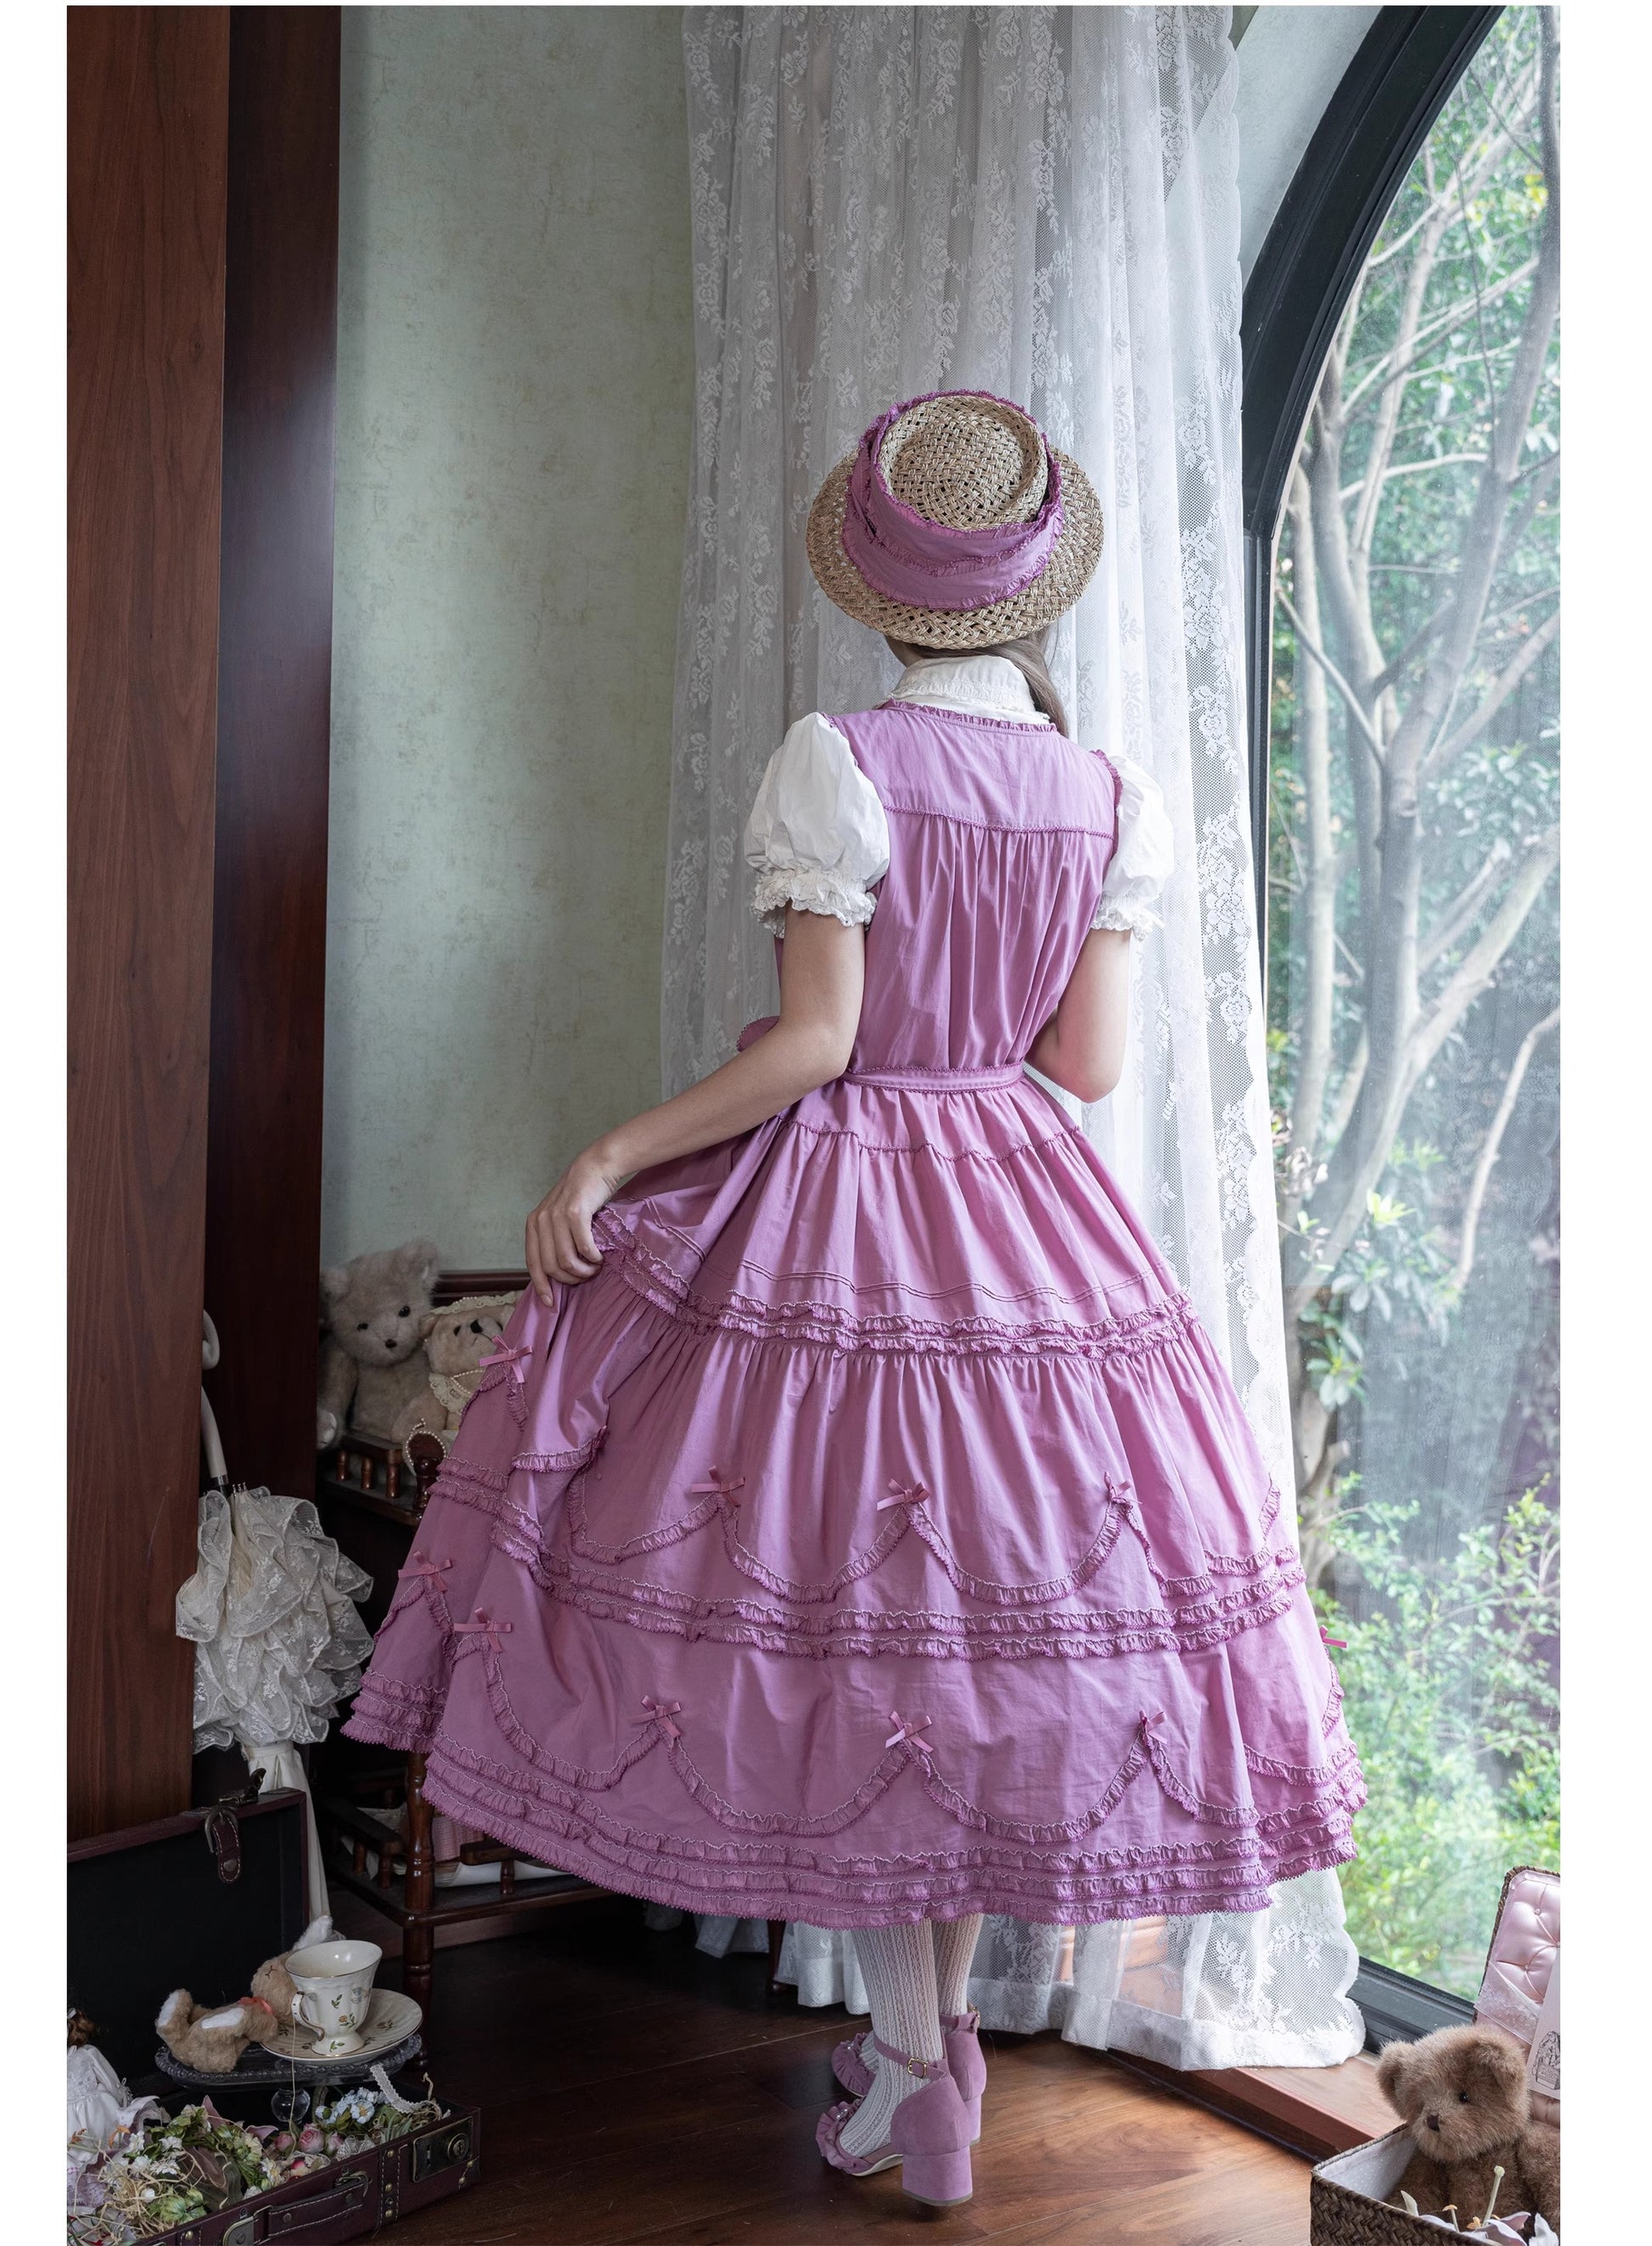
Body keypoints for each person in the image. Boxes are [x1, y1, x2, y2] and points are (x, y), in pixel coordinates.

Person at [346, 391, 1363, 2208]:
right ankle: (926, 2060)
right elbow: (1086, 1069)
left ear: (875, 583)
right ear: (1031, 592)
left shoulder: (838, 758)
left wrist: (607, 1155)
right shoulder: (1105, 793)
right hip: (1029, 1213)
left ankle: (916, 2068)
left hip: (852, 1197)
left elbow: (817, 1043)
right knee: (954, 1657)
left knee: (864, 1644)